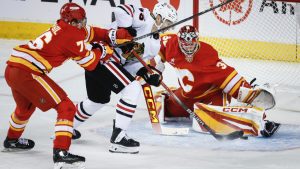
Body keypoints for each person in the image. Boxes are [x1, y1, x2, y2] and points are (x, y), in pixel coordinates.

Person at [2, 2, 133, 168]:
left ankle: (12, 140)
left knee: (25, 108)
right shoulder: (71, 36)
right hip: (27, 73)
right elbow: (91, 63)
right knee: (67, 107)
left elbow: (91, 32)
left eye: (83, 20)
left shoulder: (64, 26)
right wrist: (104, 50)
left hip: (13, 69)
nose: (82, 24)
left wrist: (114, 35)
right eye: (78, 22)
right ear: (70, 22)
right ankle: (61, 153)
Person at [72, 2, 178, 154]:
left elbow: (131, 64)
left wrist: (145, 73)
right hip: (102, 54)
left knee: (98, 99)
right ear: (159, 17)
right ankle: (118, 138)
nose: (168, 27)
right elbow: (120, 10)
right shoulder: (144, 17)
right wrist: (126, 31)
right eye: (167, 22)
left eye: (171, 24)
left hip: (107, 63)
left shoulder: (155, 44)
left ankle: (66, 127)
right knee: (131, 89)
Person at [152, 25, 280, 138]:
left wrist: (250, 94)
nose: (189, 49)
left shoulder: (207, 57)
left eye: (192, 44)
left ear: (197, 41)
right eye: (186, 45)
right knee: (164, 110)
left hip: (211, 95)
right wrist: (157, 67)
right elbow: (155, 45)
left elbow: (230, 78)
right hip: (187, 95)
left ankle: (257, 121)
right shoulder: (170, 42)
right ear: (179, 42)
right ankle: (174, 94)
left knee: (210, 120)